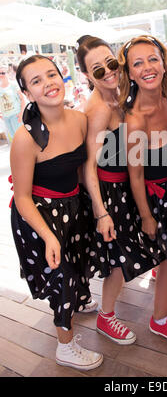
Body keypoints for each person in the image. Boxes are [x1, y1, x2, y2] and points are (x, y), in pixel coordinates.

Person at [10, 55, 103, 371]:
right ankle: (65, 346)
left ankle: (78, 297)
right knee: (61, 276)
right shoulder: (26, 138)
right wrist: (49, 236)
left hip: (73, 207)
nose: (48, 83)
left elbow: (82, 170)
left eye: (51, 74)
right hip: (38, 216)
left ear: (62, 75)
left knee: (78, 265)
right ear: (27, 93)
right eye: (36, 80)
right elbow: (21, 197)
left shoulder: (79, 119)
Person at [76, 35, 163, 346]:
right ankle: (107, 317)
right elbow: (88, 166)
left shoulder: (122, 93)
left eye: (111, 63)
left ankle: (156, 269)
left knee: (137, 241)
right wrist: (101, 213)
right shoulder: (98, 108)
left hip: (129, 184)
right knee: (117, 258)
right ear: (87, 76)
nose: (108, 72)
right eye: (97, 70)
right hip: (110, 193)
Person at [118, 34, 167, 346]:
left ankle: (160, 275)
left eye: (152, 58)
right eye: (138, 63)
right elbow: (135, 177)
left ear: (163, 63)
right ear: (130, 74)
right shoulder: (135, 119)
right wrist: (147, 217)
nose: (147, 67)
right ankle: (160, 318)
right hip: (151, 199)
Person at [0, 65, 25, 142]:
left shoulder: (13, 85)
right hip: (6, 117)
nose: (1, 75)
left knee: (21, 137)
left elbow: (22, 99)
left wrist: (21, 113)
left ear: (7, 73)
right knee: (14, 139)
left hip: (16, 116)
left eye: (3, 73)